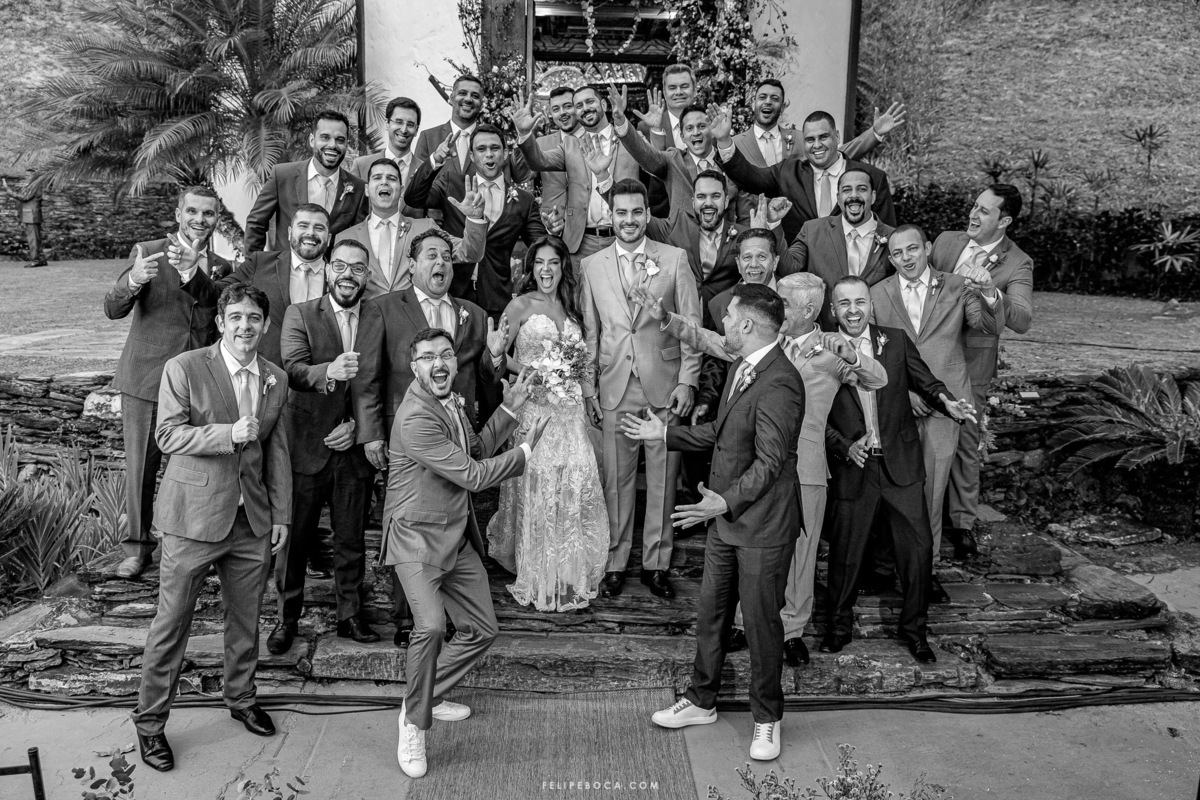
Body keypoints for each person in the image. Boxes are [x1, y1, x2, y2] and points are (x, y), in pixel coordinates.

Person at [634, 271, 887, 667]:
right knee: (746, 549)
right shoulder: (760, 342)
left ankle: (792, 630)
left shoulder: (831, 351)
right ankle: (741, 623)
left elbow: (878, 379)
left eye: (783, 301)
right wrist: (667, 319)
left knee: (800, 556)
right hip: (754, 466)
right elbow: (709, 339)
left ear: (809, 309)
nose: (774, 306)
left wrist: (852, 354)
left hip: (806, 470)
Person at [622, 283, 804, 762]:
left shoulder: (781, 381)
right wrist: (665, 433)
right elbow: (722, 435)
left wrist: (723, 502)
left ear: (747, 323)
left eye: (728, 317)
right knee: (712, 615)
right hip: (724, 520)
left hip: (762, 526)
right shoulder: (743, 366)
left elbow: (770, 462)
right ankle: (702, 700)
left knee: (762, 625)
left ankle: (767, 717)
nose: (722, 323)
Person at [132, 284, 291, 772]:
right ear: (221, 323)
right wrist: (228, 434)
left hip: (251, 521)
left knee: (246, 620)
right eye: (236, 317)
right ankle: (150, 724)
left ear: (265, 324)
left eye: (254, 318)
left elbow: (276, 449)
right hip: (192, 519)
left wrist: (281, 514)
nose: (245, 326)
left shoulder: (277, 378)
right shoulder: (184, 368)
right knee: (171, 623)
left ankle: (241, 698)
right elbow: (167, 435)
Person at [389, 328, 548, 779]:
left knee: (482, 628)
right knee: (431, 626)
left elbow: (474, 449)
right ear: (414, 367)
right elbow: (474, 475)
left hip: (454, 535)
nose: (438, 363)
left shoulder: (450, 402)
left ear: (455, 362)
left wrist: (508, 410)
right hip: (417, 539)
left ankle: (425, 695)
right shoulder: (415, 418)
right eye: (427, 357)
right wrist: (525, 451)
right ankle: (413, 722)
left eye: (445, 354)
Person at [352, 229, 507, 646]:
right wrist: (371, 433)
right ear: (412, 265)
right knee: (413, 526)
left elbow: (480, 376)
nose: (441, 263)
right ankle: (410, 620)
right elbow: (368, 376)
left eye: (446, 257)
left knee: (453, 519)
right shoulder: (384, 307)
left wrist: (495, 358)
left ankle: (453, 614)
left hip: (458, 433)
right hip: (407, 437)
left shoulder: (472, 313)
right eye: (431, 256)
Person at [822, 276, 975, 664]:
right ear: (833, 310)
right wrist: (841, 445)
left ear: (871, 306)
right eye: (844, 304)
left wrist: (947, 402)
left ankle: (915, 632)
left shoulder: (895, 340)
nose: (853, 310)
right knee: (845, 554)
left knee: (918, 552)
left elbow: (927, 382)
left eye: (860, 302)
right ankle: (838, 629)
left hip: (901, 464)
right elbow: (811, 417)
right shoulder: (819, 349)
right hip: (854, 465)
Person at [579, 178, 701, 601]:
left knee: (664, 480)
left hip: (664, 385)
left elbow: (691, 325)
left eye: (636, 212)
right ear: (610, 216)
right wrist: (589, 389)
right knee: (616, 479)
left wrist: (688, 380)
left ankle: (656, 563)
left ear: (647, 215)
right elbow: (592, 333)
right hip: (614, 385)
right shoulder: (591, 266)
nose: (628, 220)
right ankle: (615, 562)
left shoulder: (674, 259)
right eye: (621, 212)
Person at [104, 186, 231, 579]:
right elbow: (113, 308)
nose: (200, 220)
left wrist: (194, 271)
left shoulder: (223, 266)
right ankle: (137, 548)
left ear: (217, 218)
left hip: (198, 383)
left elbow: (218, 305)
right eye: (192, 211)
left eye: (208, 213)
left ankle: (196, 544)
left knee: (199, 467)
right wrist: (132, 281)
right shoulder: (149, 251)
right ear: (178, 214)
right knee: (141, 467)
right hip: (146, 378)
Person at [267, 240, 380, 656]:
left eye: (358, 268)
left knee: (351, 539)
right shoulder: (300, 314)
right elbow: (293, 369)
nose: (349, 274)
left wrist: (358, 426)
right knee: (294, 541)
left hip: (353, 449)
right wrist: (328, 371)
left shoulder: (378, 316)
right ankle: (286, 619)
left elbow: (382, 379)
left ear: (367, 275)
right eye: (342, 266)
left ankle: (350, 616)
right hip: (306, 445)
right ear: (329, 270)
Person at [870, 224, 1002, 572]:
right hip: (899, 402)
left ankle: (925, 570)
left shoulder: (957, 285)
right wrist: (904, 391)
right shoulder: (877, 293)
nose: (906, 258)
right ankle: (888, 565)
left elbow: (987, 325)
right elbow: (871, 352)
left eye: (912, 249)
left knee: (934, 489)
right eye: (897, 253)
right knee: (894, 487)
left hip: (947, 404)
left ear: (927, 248)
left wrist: (989, 292)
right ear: (890, 258)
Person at [486, 237, 608, 611]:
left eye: (553, 262)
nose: (546, 269)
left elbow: (582, 360)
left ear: (562, 267)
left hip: (570, 412)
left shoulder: (572, 308)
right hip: (534, 411)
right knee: (537, 483)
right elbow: (498, 355)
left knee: (575, 479)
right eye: (539, 262)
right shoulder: (520, 305)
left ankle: (568, 569)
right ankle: (539, 571)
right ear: (531, 268)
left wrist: (589, 395)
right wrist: (534, 371)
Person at [931, 184, 1033, 558]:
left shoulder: (1017, 262)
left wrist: (992, 292)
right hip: (927, 354)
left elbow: (1022, 320)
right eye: (974, 206)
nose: (973, 215)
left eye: (984, 211)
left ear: (1004, 221)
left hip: (970, 362)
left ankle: (961, 523)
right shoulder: (946, 242)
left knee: (965, 440)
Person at [405, 123, 548, 318]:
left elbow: (540, 246)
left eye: (495, 148)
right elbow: (413, 198)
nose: (489, 154)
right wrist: (436, 159)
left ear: (505, 153)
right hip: (452, 292)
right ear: (472, 156)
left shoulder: (524, 200)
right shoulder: (452, 183)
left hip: (496, 298)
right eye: (481, 149)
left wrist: (552, 232)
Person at [713, 106, 896, 242]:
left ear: (837, 136)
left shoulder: (872, 177)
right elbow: (749, 177)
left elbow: (886, 232)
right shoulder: (787, 172)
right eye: (809, 139)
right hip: (800, 273)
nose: (816, 145)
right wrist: (724, 141)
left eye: (823, 137)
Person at [512, 87, 641, 265]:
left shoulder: (630, 138)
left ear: (603, 105)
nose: (585, 108)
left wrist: (623, 121)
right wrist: (524, 133)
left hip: (624, 237)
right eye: (579, 105)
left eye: (589, 102)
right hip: (580, 241)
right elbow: (537, 162)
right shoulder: (570, 145)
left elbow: (655, 165)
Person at [337, 158, 486, 300]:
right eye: (377, 177)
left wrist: (474, 219)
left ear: (402, 190)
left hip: (415, 315)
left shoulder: (425, 227)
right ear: (366, 189)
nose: (384, 182)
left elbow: (469, 253)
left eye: (391, 178)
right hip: (367, 315)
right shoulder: (345, 237)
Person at [608, 85, 747, 225]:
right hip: (683, 237)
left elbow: (744, 209)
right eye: (689, 128)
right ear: (682, 136)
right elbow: (645, 154)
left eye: (702, 126)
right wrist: (620, 120)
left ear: (711, 130)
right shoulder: (674, 160)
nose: (696, 132)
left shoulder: (729, 160)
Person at [779, 168, 896, 329]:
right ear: (838, 197)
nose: (854, 195)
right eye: (846, 190)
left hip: (877, 334)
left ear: (873, 196)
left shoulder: (894, 239)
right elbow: (788, 269)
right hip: (825, 335)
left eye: (861, 189)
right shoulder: (813, 230)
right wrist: (774, 225)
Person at [218, 204, 333, 367]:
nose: (311, 233)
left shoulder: (338, 277)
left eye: (319, 228)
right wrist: (190, 271)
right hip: (266, 370)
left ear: (329, 238)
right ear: (289, 233)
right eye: (303, 225)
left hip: (316, 374)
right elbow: (215, 292)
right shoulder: (260, 263)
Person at [244, 110, 367, 252]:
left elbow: (358, 237)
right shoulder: (283, 175)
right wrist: (256, 263)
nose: (333, 145)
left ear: (346, 143)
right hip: (286, 264)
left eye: (340, 140)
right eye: (325, 137)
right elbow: (256, 223)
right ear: (312, 140)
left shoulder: (358, 188)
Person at [351, 96, 426, 219]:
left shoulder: (425, 171)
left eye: (410, 124)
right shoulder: (361, 166)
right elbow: (352, 212)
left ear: (416, 130)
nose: (404, 129)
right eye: (399, 122)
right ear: (387, 123)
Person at [2, 172, 46, 268]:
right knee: (37, 239)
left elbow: (24, 197)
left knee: (33, 239)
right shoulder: (35, 185)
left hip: (31, 216)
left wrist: (8, 189)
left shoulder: (34, 186)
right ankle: (41, 259)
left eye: (28, 176)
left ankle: (35, 260)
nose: (26, 177)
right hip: (33, 216)